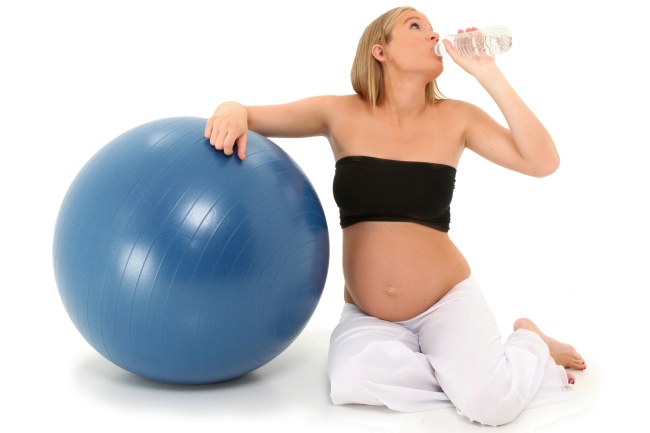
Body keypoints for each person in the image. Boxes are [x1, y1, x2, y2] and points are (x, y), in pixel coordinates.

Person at [204, 5, 586, 427]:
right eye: (416, 25)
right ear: (380, 51)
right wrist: (231, 109)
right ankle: (478, 373)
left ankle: (528, 342)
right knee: (351, 381)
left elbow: (542, 161)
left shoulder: (458, 118)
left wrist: (487, 73)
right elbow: (248, 113)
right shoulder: (338, 112)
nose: (433, 34)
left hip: (447, 302)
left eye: (432, 27)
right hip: (369, 314)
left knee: (490, 406)